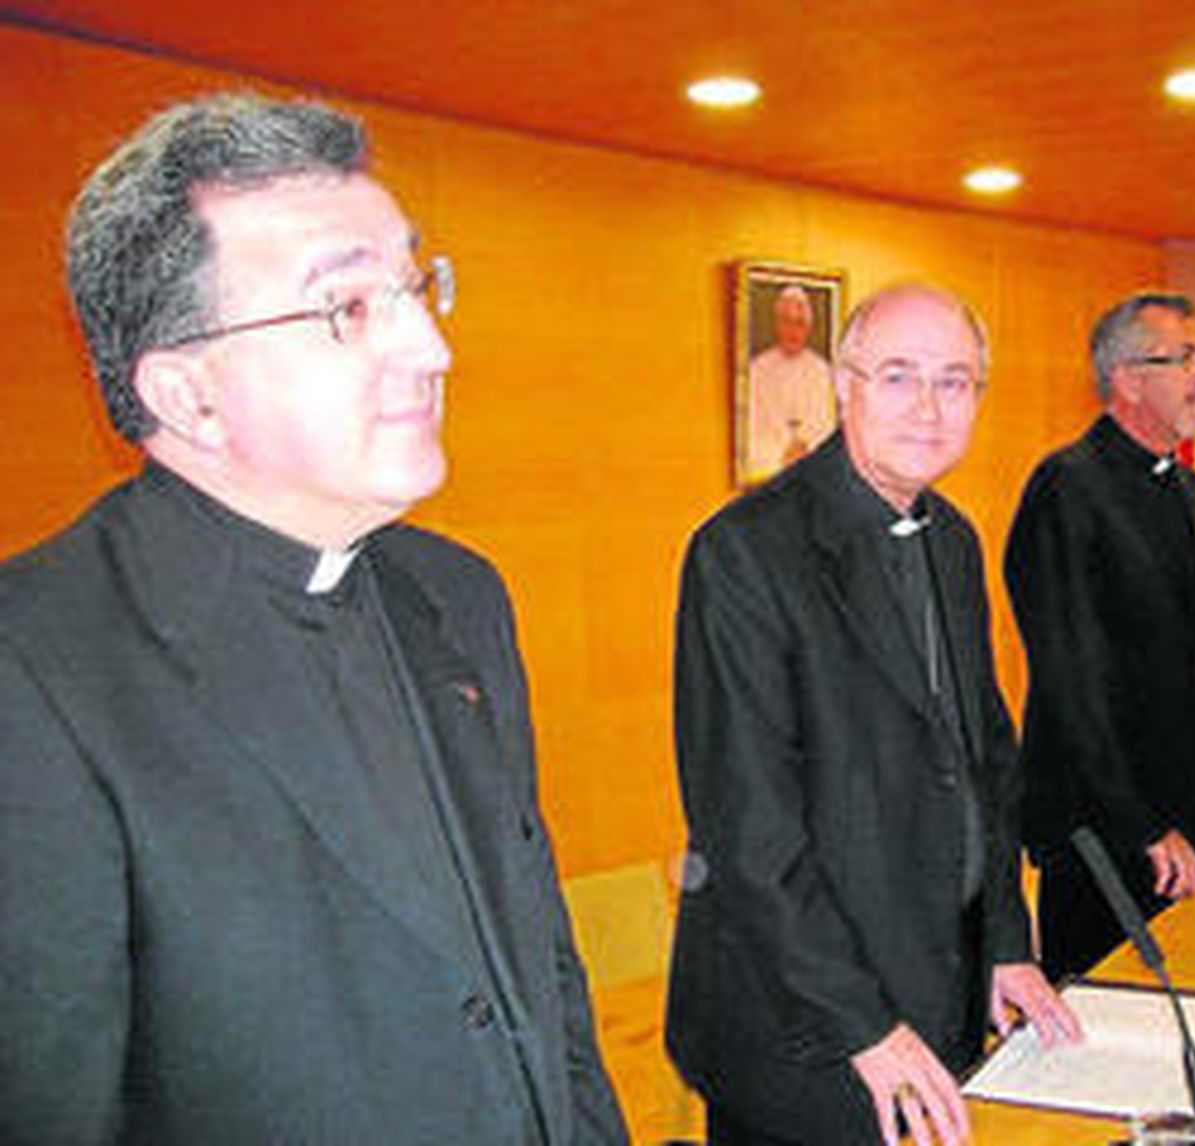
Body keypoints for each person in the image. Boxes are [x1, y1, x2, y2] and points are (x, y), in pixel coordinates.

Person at [0, 93, 624, 1144]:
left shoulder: (458, 594)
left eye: (416, 286)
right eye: (349, 309)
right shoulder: (37, 667)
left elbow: (541, 967)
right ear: (188, 397)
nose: (431, 347)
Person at [668, 284, 1080, 1146]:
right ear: (843, 387)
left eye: (955, 381)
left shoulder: (953, 537)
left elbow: (986, 760)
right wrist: (863, 1023)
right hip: (805, 1028)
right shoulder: (745, 552)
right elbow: (749, 833)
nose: (929, 408)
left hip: (939, 987)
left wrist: (1007, 938)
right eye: (898, 377)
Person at [1004, 290, 1195, 981]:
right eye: (1184, 358)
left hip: (1192, 809)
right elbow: (1072, 684)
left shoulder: (1192, 491)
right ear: (1125, 378)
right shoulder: (1067, 489)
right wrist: (1141, 826)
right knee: (1106, 1014)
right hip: (1103, 822)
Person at [745, 284, 836, 480]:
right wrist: (781, 453)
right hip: (768, 468)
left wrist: (807, 448)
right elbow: (749, 429)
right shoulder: (757, 370)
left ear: (809, 328)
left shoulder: (822, 371)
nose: (793, 331)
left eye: (799, 323)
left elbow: (828, 425)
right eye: (787, 322)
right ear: (776, 324)